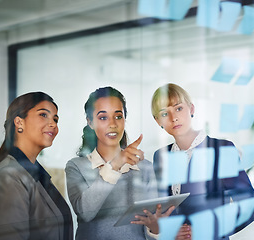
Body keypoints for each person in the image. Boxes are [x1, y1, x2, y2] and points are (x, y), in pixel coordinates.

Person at [151, 83, 254, 240]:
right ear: (158, 121)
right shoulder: (161, 156)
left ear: (192, 109)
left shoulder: (221, 149)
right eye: (164, 113)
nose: (173, 117)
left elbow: (250, 207)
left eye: (178, 108)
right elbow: (164, 210)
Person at [65, 86, 174, 240]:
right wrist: (115, 165)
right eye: (103, 117)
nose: (113, 124)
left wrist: (155, 229)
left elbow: (151, 231)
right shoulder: (76, 166)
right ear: (90, 122)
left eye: (118, 116)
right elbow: (85, 212)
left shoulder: (145, 168)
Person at [0, 92, 73, 240]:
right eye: (43, 115)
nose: (53, 124)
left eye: (55, 119)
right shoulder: (8, 177)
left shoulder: (34, 173)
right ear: (19, 122)